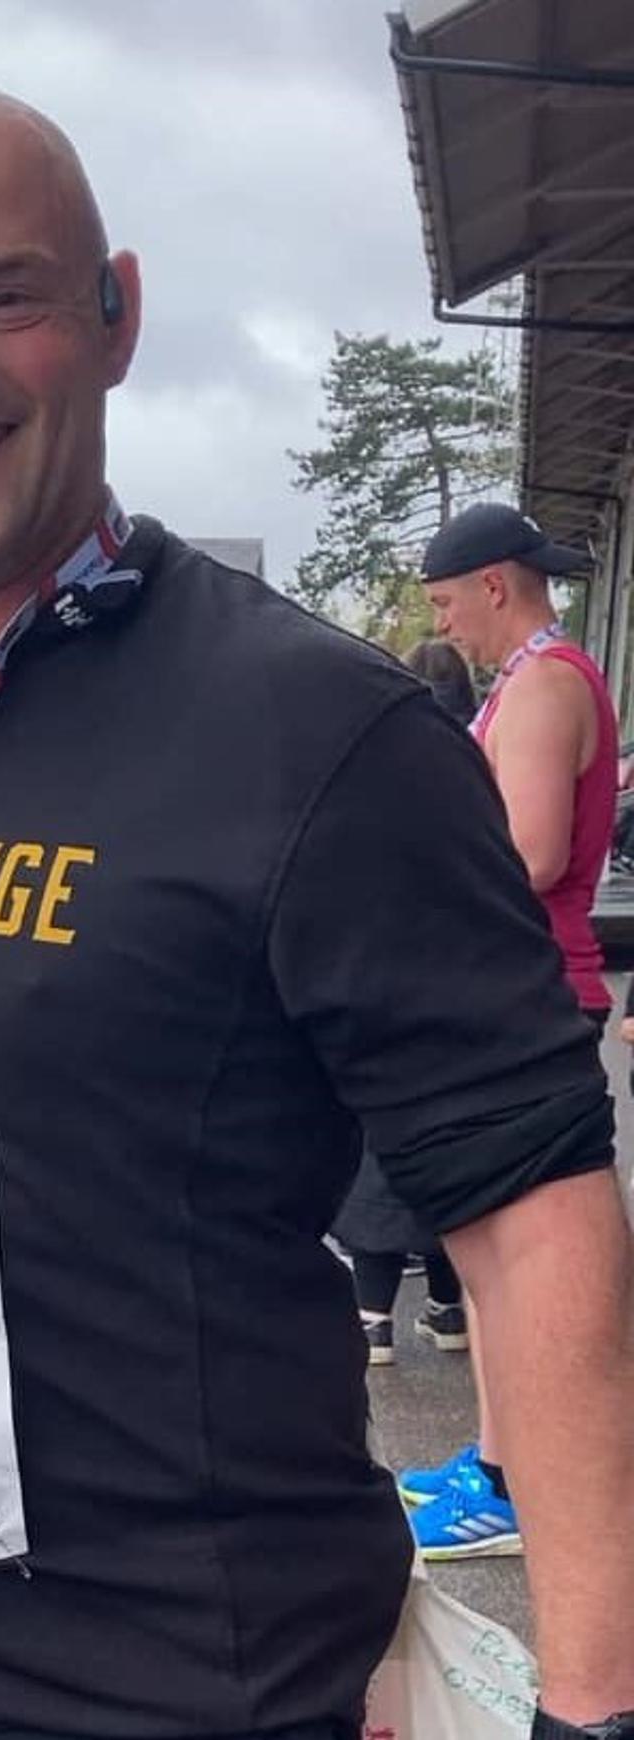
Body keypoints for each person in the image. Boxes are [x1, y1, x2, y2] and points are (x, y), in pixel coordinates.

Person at [0, 79, 634, 1740]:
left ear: (118, 315)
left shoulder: (317, 728)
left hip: (178, 1692)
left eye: (7, 294)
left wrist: (595, 1702)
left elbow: (537, 1228)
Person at [397, 502, 620, 1562]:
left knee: (517, 1260)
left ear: (495, 585)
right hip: (519, 987)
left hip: (529, 992)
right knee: (486, 1259)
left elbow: (524, 854)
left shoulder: (541, 684)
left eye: (447, 604)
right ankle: (495, 1461)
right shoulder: (536, 677)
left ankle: (516, 1484)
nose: (447, 628)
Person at [331, 639, 475, 1366]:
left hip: (387, 985)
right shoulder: (485, 757)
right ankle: (450, 1309)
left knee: (381, 1159)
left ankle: (373, 1318)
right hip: (470, 990)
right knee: (451, 1158)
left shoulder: (381, 760)